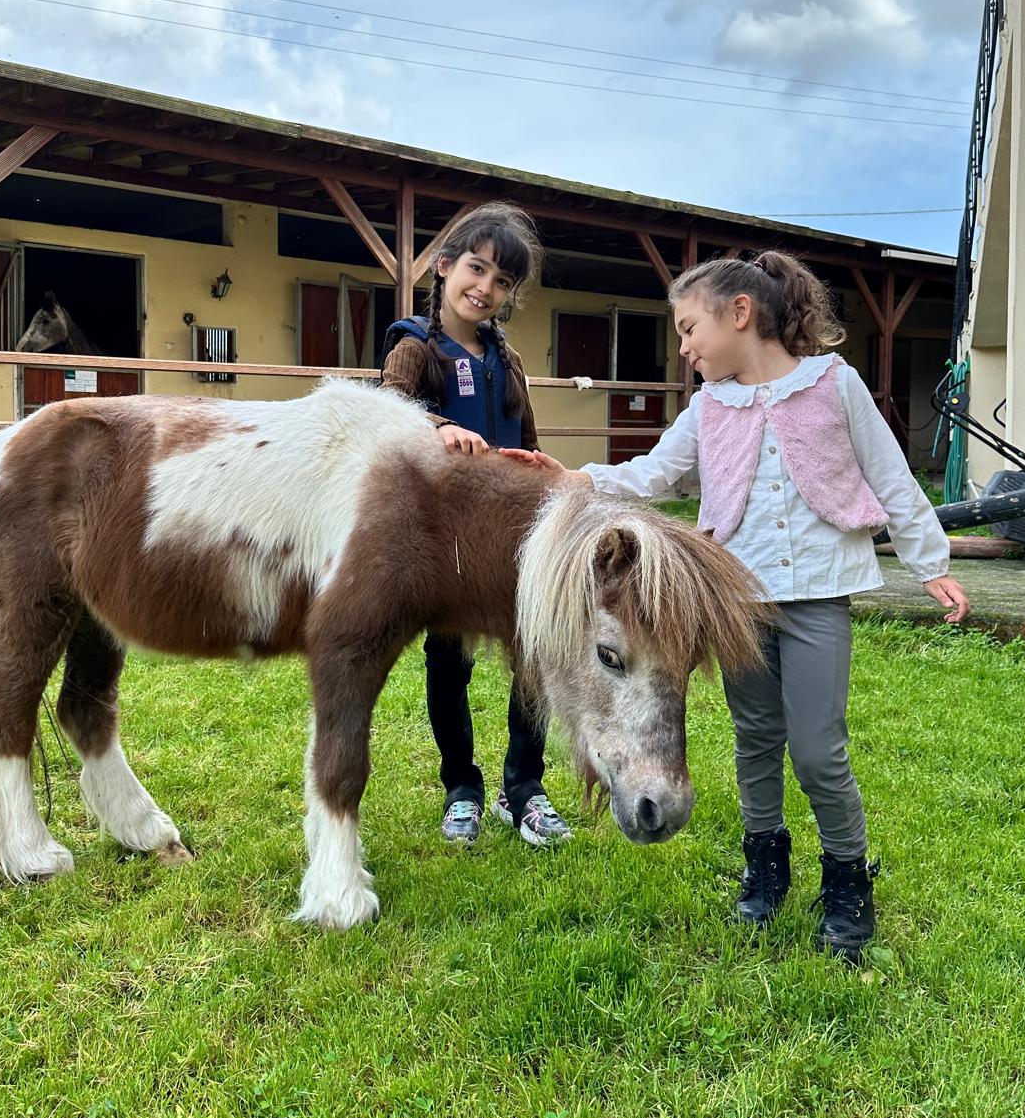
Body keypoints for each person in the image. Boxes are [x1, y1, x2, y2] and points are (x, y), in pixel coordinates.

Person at [503, 252, 969, 961]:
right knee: (756, 739)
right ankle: (765, 870)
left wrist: (929, 562)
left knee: (819, 749)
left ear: (740, 314)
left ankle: (846, 882)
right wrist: (578, 475)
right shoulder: (708, 406)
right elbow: (657, 472)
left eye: (689, 328)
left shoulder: (835, 387)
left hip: (816, 595)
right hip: (737, 604)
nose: (684, 346)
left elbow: (893, 477)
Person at [380, 202, 572, 849]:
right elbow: (387, 414)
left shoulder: (507, 360)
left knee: (534, 660)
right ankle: (461, 788)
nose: (485, 288)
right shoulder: (414, 348)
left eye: (502, 282)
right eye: (476, 268)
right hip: (448, 548)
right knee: (448, 664)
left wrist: (552, 479)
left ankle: (525, 789)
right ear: (443, 266)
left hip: (519, 542)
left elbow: (531, 440)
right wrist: (438, 427)